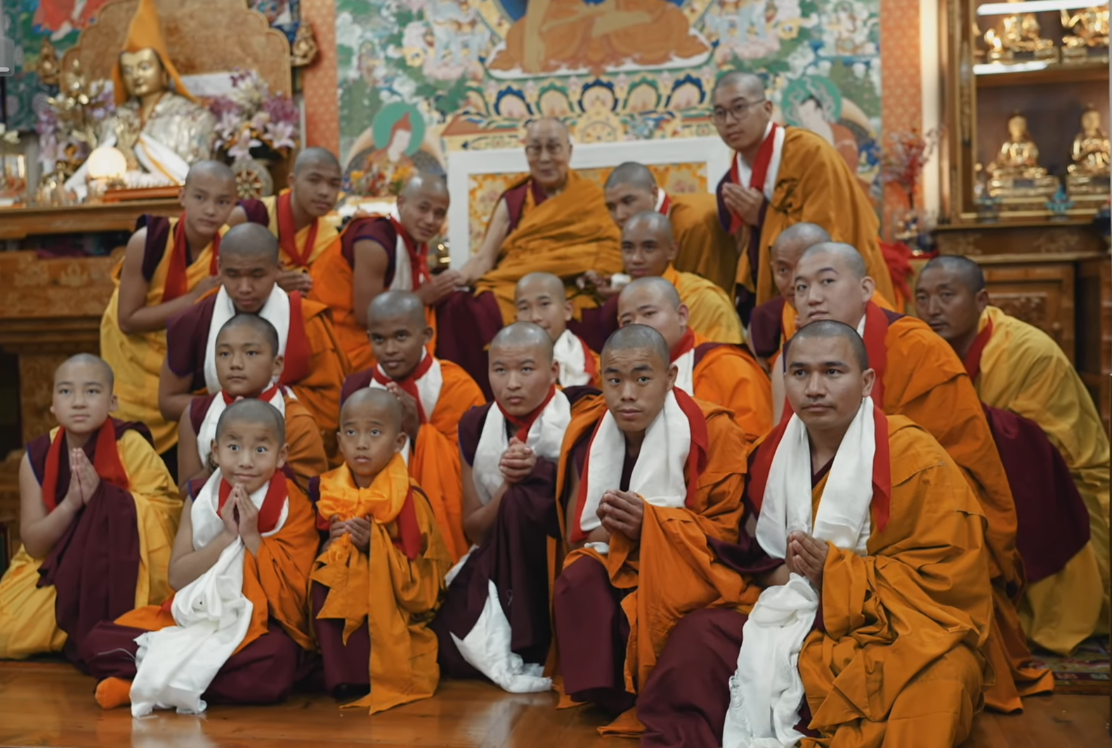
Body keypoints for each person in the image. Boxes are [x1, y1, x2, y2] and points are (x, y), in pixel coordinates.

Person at [637, 322, 992, 748]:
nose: (815, 388)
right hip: (788, 612)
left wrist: (836, 572)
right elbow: (744, 551)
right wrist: (781, 574)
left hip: (884, 628)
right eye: (800, 373)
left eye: (832, 372)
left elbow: (946, 580)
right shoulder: (768, 454)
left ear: (866, 382)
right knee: (697, 638)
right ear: (784, 379)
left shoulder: (915, 456)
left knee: (946, 675)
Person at [785, 242, 1052, 711]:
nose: (811, 297)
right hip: (817, 539)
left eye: (827, 281)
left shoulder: (917, 349)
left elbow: (959, 474)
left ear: (867, 288)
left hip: (913, 535)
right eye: (800, 287)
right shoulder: (794, 353)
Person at [552, 325, 754, 734]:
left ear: (670, 378)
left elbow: (726, 534)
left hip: (694, 569)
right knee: (578, 575)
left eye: (643, 379)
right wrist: (627, 534)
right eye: (614, 380)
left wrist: (654, 526)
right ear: (600, 380)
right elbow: (579, 529)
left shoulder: (714, 431)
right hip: (617, 559)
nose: (627, 394)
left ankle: (655, 692)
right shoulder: (587, 429)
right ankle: (608, 692)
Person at [917, 256, 1109, 654]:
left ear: (982, 299)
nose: (932, 309)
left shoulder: (1029, 353)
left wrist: (963, 418)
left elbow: (1043, 449)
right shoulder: (925, 348)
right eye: (922, 297)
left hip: (1062, 486)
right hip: (977, 476)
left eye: (946, 295)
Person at [81, 399, 319, 714]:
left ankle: (143, 686)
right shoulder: (200, 500)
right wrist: (226, 537)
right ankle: (174, 684)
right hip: (194, 619)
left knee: (277, 661)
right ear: (215, 451)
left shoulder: (295, 507)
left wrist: (252, 538)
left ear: (281, 456)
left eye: (260, 450)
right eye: (234, 448)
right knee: (96, 643)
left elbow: (296, 597)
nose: (245, 461)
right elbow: (178, 577)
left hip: (254, 629)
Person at [0, 355, 180, 663]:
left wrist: (105, 499)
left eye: (92, 392)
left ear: (113, 402)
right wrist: (71, 504)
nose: (79, 402)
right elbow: (34, 542)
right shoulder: (36, 456)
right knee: (7, 631)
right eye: (67, 392)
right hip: (57, 564)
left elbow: (166, 514)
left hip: (125, 567)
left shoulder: (132, 445)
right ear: (53, 404)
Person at [432, 322, 580, 693]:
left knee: (532, 490)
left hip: (558, 559)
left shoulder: (581, 416)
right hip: (497, 560)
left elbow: (581, 524)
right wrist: (508, 487)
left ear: (554, 371)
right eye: (500, 370)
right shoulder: (476, 423)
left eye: (526, 370)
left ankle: (539, 638)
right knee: (449, 651)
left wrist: (542, 475)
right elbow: (475, 529)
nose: (511, 384)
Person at [436, 118, 622, 392]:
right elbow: (485, 259)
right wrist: (451, 279)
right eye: (535, 149)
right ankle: (485, 393)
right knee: (460, 305)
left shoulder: (591, 198)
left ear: (569, 151)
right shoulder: (514, 200)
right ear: (526, 154)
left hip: (569, 288)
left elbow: (607, 253)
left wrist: (596, 276)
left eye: (553, 148)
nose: (545, 157)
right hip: (516, 284)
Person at [309, 389, 452, 712]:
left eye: (375, 432)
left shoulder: (409, 498)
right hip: (347, 587)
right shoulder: (329, 491)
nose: (361, 443)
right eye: (351, 432)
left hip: (398, 613)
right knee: (327, 572)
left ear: (399, 442)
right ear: (339, 440)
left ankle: (368, 674)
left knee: (359, 567)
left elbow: (424, 586)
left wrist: (375, 546)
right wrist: (330, 544)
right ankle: (341, 673)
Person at [159, 222, 349, 460]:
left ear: (278, 268)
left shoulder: (306, 319)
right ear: (219, 267)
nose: (245, 288)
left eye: (257, 275)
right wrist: (230, 408)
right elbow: (168, 401)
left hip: (288, 451)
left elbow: (330, 405)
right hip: (215, 447)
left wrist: (255, 407)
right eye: (233, 275)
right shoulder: (195, 319)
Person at [710, 72, 894, 316]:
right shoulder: (735, 174)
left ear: (766, 109)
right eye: (720, 113)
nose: (729, 121)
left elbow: (827, 239)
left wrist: (763, 216)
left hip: (836, 295)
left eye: (739, 108)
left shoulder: (810, 154)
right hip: (780, 295)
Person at [100, 160, 238, 461]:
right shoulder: (148, 241)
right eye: (200, 197)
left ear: (234, 205)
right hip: (135, 363)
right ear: (182, 196)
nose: (211, 209)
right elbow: (127, 320)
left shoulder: (231, 245)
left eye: (222, 201)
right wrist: (194, 297)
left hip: (186, 368)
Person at [340, 291, 485, 561]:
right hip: (375, 514)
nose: (390, 349)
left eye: (401, 337)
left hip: (436, 512)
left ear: (427, 335)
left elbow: (474, 468)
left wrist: (418, 429)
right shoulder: (357, 387)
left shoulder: (456, 386)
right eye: (379, 339)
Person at [310, 173, 458, 372]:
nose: (430, 220)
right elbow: (366, 315)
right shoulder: (374, 242)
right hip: (340, 343)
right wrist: (422, 296)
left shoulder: (412, 241)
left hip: (377, 336)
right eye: (423, 208)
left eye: (439, 213)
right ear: (401, 203)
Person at [178, 315, 328, 494]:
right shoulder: (195, 414)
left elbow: (310, 498)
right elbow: (185, 494)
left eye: (251, 353)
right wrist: (215, 462)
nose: (235, 364)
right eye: (224, 354)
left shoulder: (296, 421)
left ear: (277, 365)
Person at [616, 277, 771, 444]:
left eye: (649, 314)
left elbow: (754, 445)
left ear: (682, 315)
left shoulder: (725, 364)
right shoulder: (620, 378)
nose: (637, 326)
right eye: (627, 321)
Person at [578, 212, 744, 349]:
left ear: (672, 250)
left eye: (649, 248)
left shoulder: (702, 298)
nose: (636, 258)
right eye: (628, 248)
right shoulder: (625, 298)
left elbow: (720, 360)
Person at [748, 222, 894, 364]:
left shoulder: (892, 330)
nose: (794, 282)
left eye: (826, 281)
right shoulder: (767, 317)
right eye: (783, 270)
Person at [602, 161, 737, 292]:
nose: (619, 215)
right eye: (611, 207)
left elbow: (696, 294)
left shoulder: (693, 223)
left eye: (628, 201)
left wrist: (631, 292)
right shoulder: (642, 226)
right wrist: (619, 281)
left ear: (654, 193)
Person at [230, 148, 345, 293]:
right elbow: (220, 275)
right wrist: (267, 284)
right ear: (292, 181)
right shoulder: (251, 216)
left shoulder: (329, 236)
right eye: (314, 181)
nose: (324, 192)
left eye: (333, 185)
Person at [515, 271, 599, 387]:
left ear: (567, 310)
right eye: (524, 308)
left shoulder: (597, 366)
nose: (535, 317)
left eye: (544, 304)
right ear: (516, 318)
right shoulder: (508, 368)